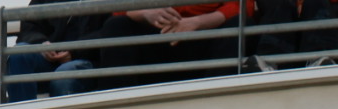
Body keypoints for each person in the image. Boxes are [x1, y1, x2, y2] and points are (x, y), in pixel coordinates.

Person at [94, 0, 253, 87]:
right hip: (156, 37)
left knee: (238, 25)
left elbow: (244, 5)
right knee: (116, 25)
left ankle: (217, 93)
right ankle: (118, 98)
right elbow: (118, 7)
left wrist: (198, 22)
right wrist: (145, 12)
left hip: (206, 39)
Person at [5, 0, 108, 102]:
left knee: (64, 75)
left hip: (88, 61)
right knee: (19, 54)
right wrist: (41, 44)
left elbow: (109, 30)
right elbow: (29, 28)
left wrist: (74, 51)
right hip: (49, 59)